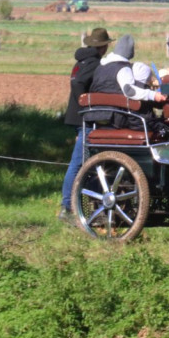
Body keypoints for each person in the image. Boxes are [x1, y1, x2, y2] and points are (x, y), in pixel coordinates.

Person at [60, 27, 113, 222]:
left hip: (77, 117)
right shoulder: (93, 63)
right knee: (79, 163)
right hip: (86, 119)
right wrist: (84, 101)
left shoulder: (80, 61)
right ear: (103, 46)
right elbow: (78, 83)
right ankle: (67, 207)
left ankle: (89, 207)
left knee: (86, 162)